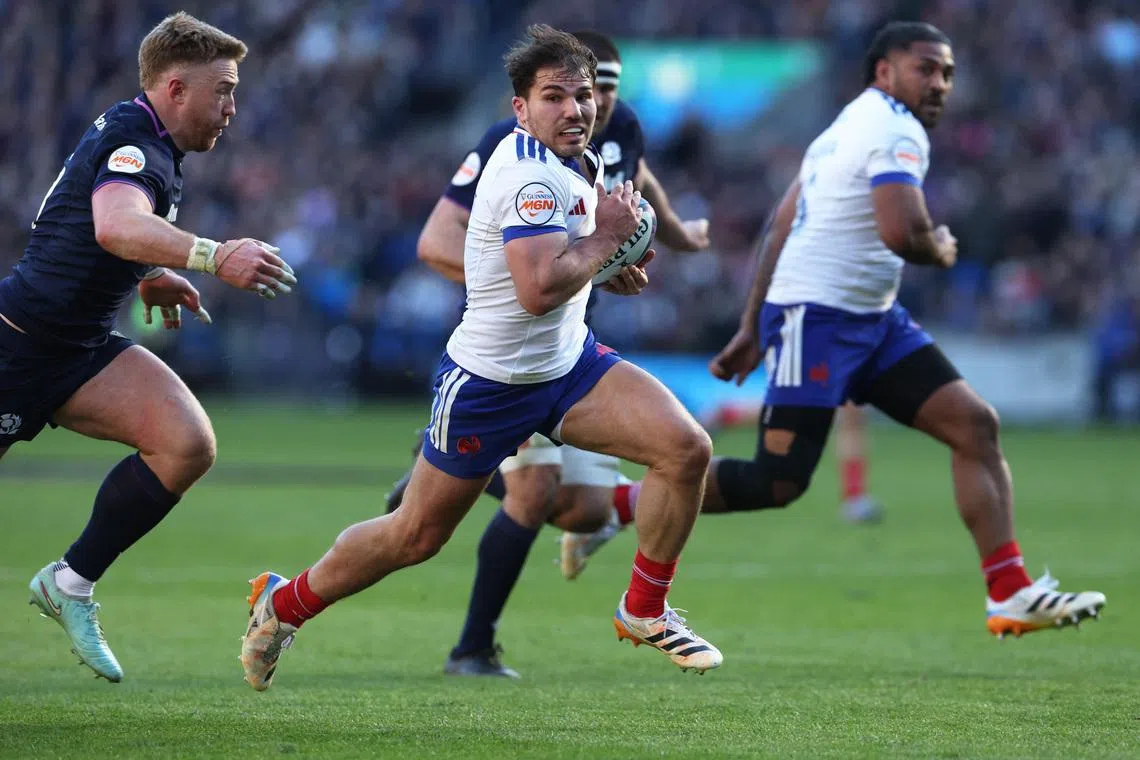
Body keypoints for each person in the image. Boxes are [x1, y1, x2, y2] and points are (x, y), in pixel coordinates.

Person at [240, 25, 722, 692]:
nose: (575, 109)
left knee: (685, 448)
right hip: (490, 384)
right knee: (415, 536)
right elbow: (536, 288)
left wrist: (609, 264)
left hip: (569, 368)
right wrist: (606, 241)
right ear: (520, 109)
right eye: (554, 97)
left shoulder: (580, 161)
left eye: (581, 95)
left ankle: (644, 610)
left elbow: (571, 262)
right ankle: (283, 604)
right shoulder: (528, 176)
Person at [704, 21, 1104, 637]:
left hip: (870, 317)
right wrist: (941, 247)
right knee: (776, 481)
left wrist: (752, 323)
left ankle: (1010, 592)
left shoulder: (842, 128)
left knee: (975, 425)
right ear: (884, 72)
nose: (940, 83)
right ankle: (618, 507)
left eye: (947, 72)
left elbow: (782, 223)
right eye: (926, 68)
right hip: (818, 317)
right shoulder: (893, 127)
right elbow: (902, 232)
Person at [388, 30, 712, 678]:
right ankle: (471, 647)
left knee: (583, 509)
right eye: (572, 91)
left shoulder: (617, 141)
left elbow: (639, 198)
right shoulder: (508, 148)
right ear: (533, 99)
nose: (595, 104)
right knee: (532, 493)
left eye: (601, 90)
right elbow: (434, 242)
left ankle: (452, 468)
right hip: (508, 348)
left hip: (571, 350)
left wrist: (676, 239)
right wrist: (525, 273)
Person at [4, 12, 297, 683]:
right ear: (174, 89)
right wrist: (211, 255)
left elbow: (81, 224)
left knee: (185, 442)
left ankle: (70, 583)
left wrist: (151, 273)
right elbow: (113, 223)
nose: (232, 106)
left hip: (76, 351)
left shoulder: (153, 143)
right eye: (222, 89)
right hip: (15, 346)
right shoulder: (138, 141)